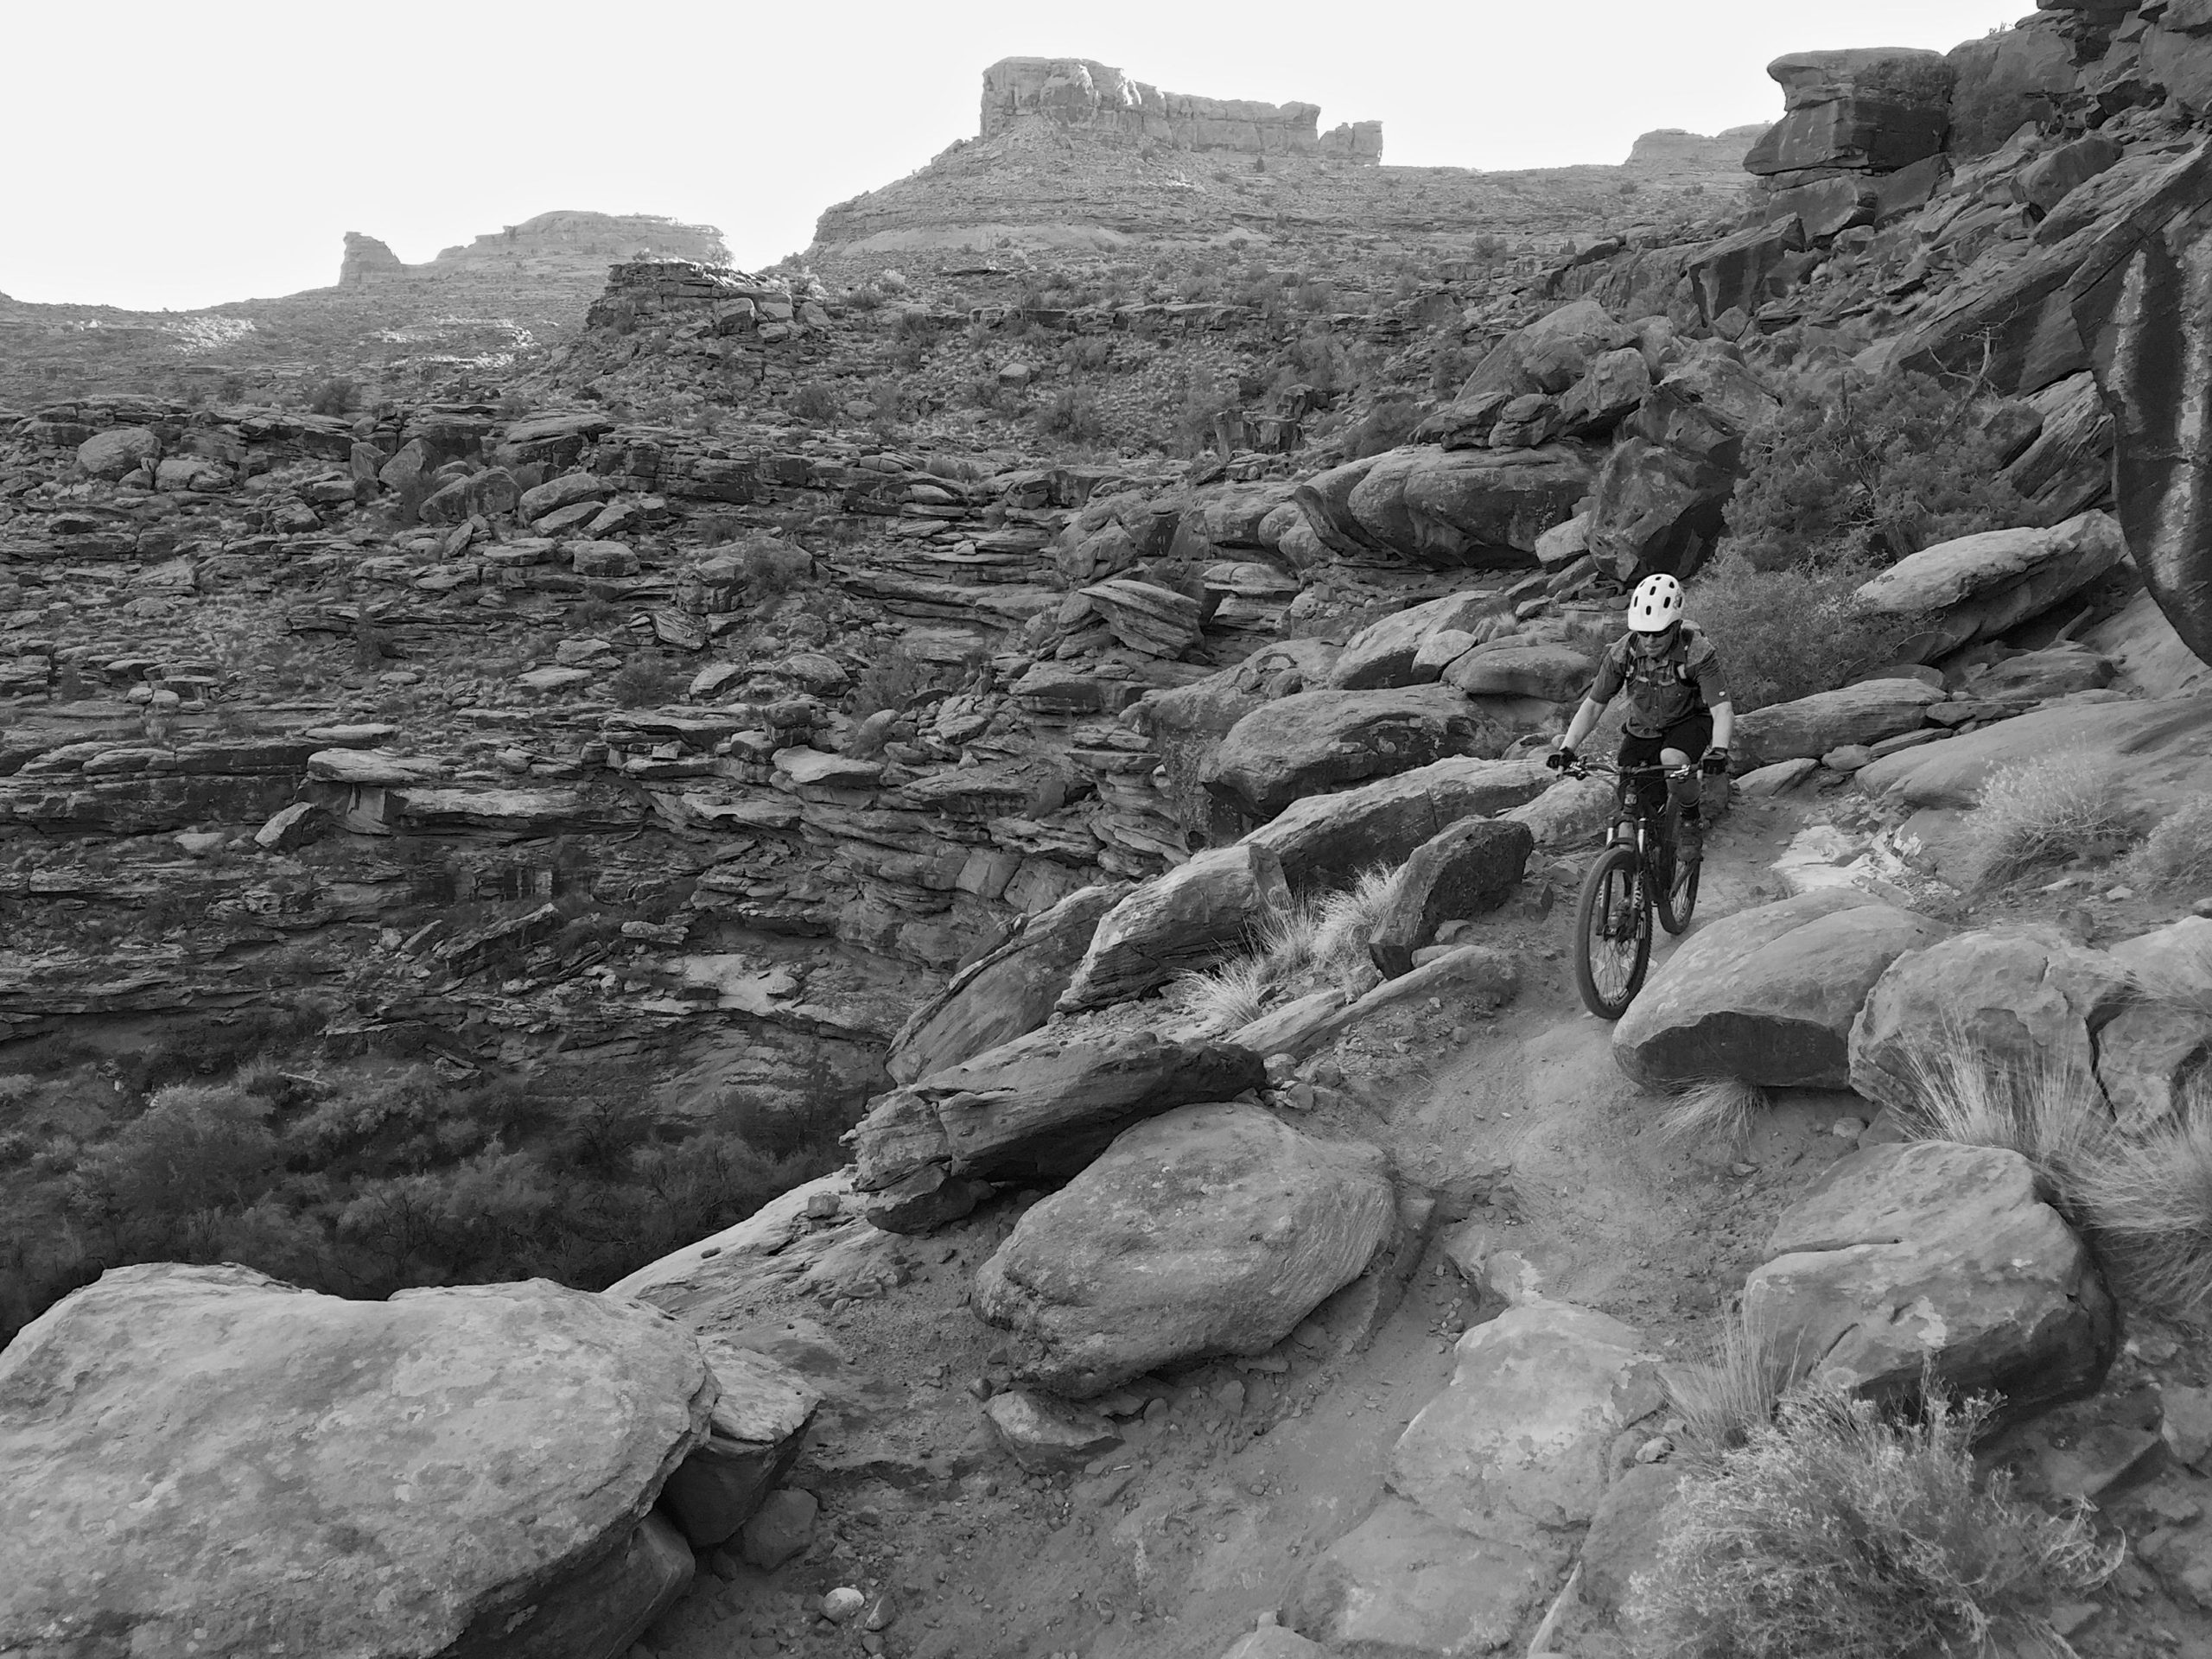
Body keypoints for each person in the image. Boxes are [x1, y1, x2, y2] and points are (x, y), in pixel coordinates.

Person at [1547, 573, 1734, 862]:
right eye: (1642, 631)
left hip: (1688, 722)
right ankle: (1628, 886)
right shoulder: (1625, 650)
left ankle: (1689, 817)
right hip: (1643, 729)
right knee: (1629, 806)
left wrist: (1719, 751)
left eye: (1657, 633)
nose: (1648, 640)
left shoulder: (1696, 651)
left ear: (1674, 626)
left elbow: (1721, 709)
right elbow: (1595, 704)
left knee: (1673, 760)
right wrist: (1567, 749)